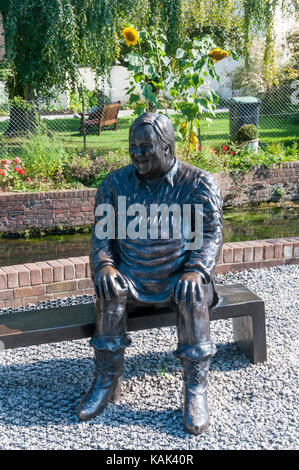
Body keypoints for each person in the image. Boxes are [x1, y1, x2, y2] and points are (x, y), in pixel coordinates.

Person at [77, 113, 223, 435]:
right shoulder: (113, 186)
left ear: (168, 148)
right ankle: (105, 380)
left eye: (146, 147)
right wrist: (104, 266)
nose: (137, 154)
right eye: (133, 146)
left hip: (179, 275)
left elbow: (211, 235)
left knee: (194, 291)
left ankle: (195, 389)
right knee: (108, 288)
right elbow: (102, 239)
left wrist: (196, 271)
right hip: (132, 276)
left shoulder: (197, 183)